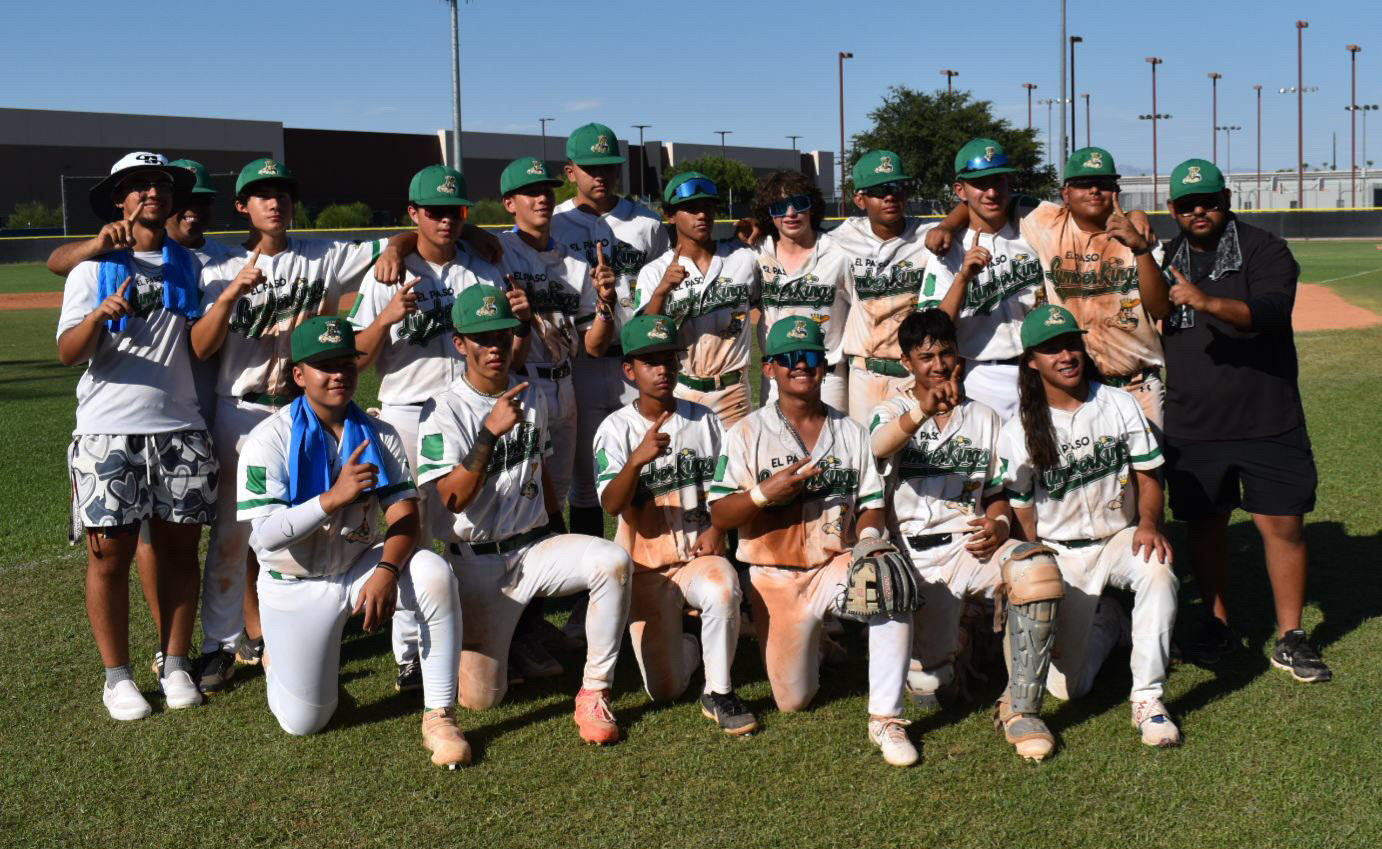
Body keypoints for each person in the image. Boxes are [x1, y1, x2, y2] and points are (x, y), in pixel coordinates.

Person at [190, 157, 424, 694]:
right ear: (242, 206)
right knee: (235, 534)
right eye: (262, 194)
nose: (276, 202)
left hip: (308, 410)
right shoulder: (221, 269)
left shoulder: (324, 255)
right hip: (243, 408)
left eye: (283, 193)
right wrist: (229, 296)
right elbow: (201, 346)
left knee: (325, 516)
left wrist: (392, 248)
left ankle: (311, 623)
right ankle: (220, 645)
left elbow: (403, 235)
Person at [236, 316, 468, 768]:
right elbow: (262, 538)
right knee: (306, 721)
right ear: (299, 375)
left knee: (433, 573)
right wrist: (331, 498)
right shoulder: (269, 438)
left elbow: (405, 516)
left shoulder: (378, 433)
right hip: (293, 583)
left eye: (347, 362)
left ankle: (439, 716)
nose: (339, 373)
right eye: (324, 365)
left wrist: (386, 572)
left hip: (359, 564)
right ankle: (278, 665)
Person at [1135, 159, 1330, 682]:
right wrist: (1141, 253)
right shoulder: (1166, 256)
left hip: (1268, 416)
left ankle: (1291, 636)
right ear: (1173, 210)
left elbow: (1269, 311)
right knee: (1205, 526)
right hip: (1195, 423)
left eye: (1210, 201)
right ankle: (1218, 623)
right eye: (1187, 204)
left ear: (1226, 201)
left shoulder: (1265, 249)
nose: (1199, 211)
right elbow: (1154, 310)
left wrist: (1207, 301)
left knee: (1282, 525)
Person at [416, 285, 634, 745]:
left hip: (534, 548)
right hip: (476, 562)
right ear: (461, 344)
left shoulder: (531, 392)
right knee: (482, 698)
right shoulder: (443, 409)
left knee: (609, 560)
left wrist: (561, 536)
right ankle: (507, 639)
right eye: (482, 338)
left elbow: (542, 471)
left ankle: (594, 691)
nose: (494, 346)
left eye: (501, 334)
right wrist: (488, 435)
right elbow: (453, 499)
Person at [48, 156, 233, 677]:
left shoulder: (191, 265)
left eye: (162, 185)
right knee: (108, 559)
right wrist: (99, 315)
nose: (153, 191)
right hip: (107, 431)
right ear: (119, 199)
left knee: (179, 555)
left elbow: (199, 346)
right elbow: (67, 352)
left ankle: (175, 664)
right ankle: (118, 677)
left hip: (180, 429)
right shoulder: (91, 267)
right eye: (139, 186)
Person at [708, 317, 916, 767]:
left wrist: (867, 540)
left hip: (834, 564)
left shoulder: (851, 432)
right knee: (793, 701)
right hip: (774, 579)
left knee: (887, 583)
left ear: (824, 367)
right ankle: (815, 639)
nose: (800, 366)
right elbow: (720, 514)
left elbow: (872, 504)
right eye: (788, 359)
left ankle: (887, 719)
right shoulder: (746, 433)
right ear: (770, 370)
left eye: (810, 358)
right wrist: (765, 494)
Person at [869, 309, 1063, 761]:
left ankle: (1022, 708)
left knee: (1035, 570)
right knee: (933, 688)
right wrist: (921, 411)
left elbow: (997, 491)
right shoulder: (892, 410)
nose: (938, 365)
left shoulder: (984, 416)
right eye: (926, 356)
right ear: (906, 363)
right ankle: (958, 645)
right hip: (912, 562)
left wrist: (997, 523)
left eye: (946, 353)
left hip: (967, 548)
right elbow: (878, 446)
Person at [348, 164, 510, 692]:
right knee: (410, 533)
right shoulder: (388, 272)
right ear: (413, 214)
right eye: (434, 211)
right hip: (407, 412)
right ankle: (409, 652)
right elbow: (357, 360)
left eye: (456, 211)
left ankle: (477, 630)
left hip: (468, 407)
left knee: (471, 526)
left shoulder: (479, 268)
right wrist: (387, 316)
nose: (445, 220)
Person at [999, 304, 1181, 747]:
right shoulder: (1020, 426)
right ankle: (1111, 624)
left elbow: (1148, 476)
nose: (1065, 356)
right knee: (1070, 689)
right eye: (1050, 350)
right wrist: (1032, 561)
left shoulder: (1117, 403)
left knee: (1158, 569)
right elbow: (1022, 509)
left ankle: (1148, 699)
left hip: (1120, 536)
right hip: (1062, 551)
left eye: (1070, 345)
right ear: (1031, 361)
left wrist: (1150, 523)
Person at [593, 314, 755, 735]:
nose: (662, 369)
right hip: (644, 569)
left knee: (723, 587)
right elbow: (611, 505)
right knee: (663, 690)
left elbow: (728, 488)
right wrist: (636, 460)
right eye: (650, 361)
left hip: (698, 558)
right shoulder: (614, 430)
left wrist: (718, 530)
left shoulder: (705, 421)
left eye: (668, 359)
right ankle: (689, 638)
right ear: (629, 371)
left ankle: (719, 692)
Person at [928, 146, 1165, 429]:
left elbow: (1162, 308)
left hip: (1127, 380)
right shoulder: (1046, 223)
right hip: (1049, 378)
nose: (1093, 191)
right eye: (1082, 184)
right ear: (1065, 194)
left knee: (1142, 469)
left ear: (1116, 189)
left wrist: (1138, 223)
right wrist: (947, 224)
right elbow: (986, 196)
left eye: (1102, 184)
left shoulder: (1135, 237)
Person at [552, 122, 672, 541]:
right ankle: (587, 582)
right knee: (584, 480)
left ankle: (649, 563)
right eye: (590, 167)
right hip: (582, 359)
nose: (600, 175)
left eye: (608, 166)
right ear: (571, 172)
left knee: (649, 465)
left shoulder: (647, 223)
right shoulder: (554, 222)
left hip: (636, 356)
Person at [918, 139, 1044, 421]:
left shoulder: (1033, 231)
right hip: (981, 375)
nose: (991, 192)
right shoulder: (948, 252)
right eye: (980, 183)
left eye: (998, 180)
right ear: (960, 190)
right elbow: (935, 331)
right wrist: (963, 277)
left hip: (1040, 369)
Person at [636, 171, 760, 430]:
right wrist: (661, 292)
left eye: (707, 206)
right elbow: (644, 338)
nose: (702, 215)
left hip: (733, 390)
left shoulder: (743, 258)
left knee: (736, 470)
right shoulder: (655, 272)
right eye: (691, 208)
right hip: (682, 390)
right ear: (670, 215)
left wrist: (760, 224)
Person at [828, 150, 935, 425]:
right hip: (865, 375)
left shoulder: (929, 236)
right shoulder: (839, 240)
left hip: (914, 372)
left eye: (897, 187)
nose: (890, 196)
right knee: (865, 460)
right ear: (859, 199)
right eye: (878, 190)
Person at [748, 170, 851, 410]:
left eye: (799, 204)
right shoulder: (757, 255)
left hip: (827, 374)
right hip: (777, 372)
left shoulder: (839, 254)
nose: (791, 213)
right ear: (768, 212)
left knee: (832, 446)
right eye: (780, 206)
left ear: (812, 207)